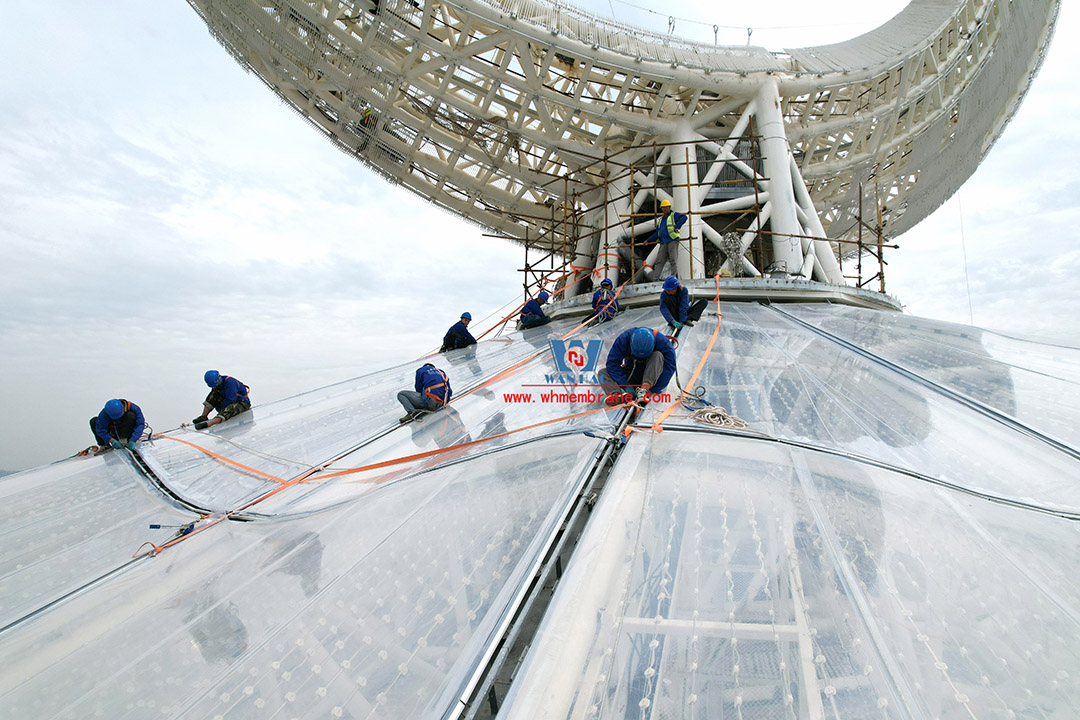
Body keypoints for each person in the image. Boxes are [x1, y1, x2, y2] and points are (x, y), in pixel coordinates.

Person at [597, 327, 677, 402]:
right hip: (632, 372)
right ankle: (617, 395)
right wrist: (624, 384)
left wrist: (653, 390)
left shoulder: (664, 344)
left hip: (651, 375)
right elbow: (612, 363)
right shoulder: (624, 339)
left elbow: (669, 369)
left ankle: (644, 391)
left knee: (657, 355)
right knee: (603, 373)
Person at [637, 199, 687, 280]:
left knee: (673, 260)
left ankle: (673, 278)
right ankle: (655, 279)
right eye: (663, 208)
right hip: (663, 242)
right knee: (659, 261)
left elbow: (684, 217)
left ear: (669, 207)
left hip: (672, 240)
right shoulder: (661, 220)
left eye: (666, 207)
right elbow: (657, 233)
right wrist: (648, 240)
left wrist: (677, 226)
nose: (664, 209)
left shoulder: (673, 215)